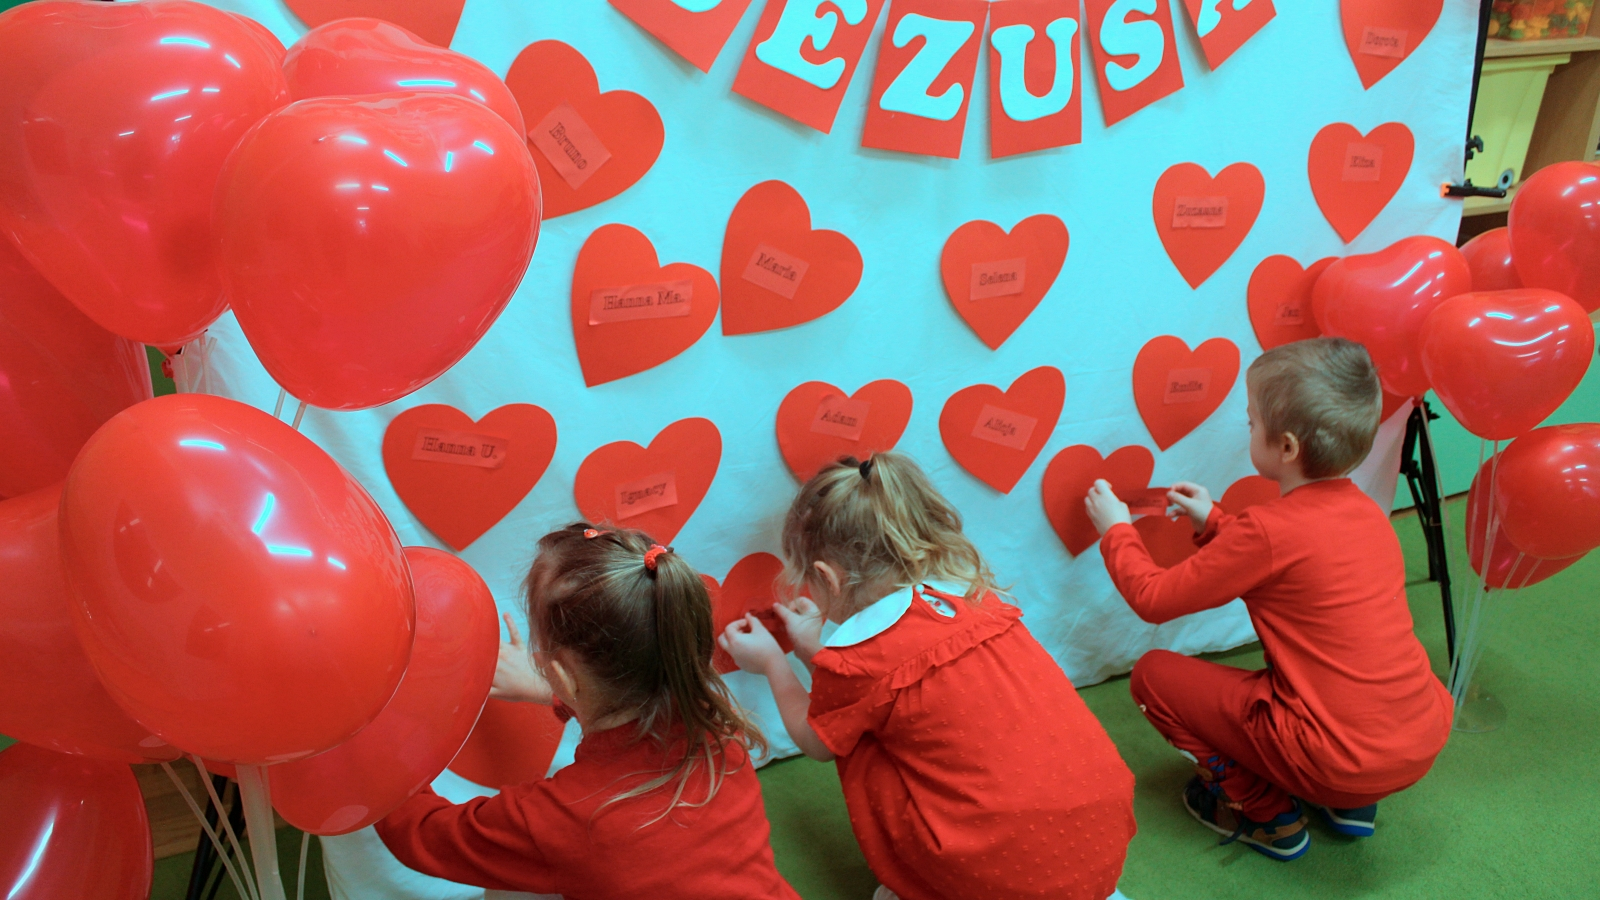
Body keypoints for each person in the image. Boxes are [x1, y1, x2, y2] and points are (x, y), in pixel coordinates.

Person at [1085, 337, 1453, 862]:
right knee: (1350, 675)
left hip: (1334, 757)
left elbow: (1152, 598)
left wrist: (1115, 531)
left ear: (1286, 448)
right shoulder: (1369, 514)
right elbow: (1290, 558)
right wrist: (1215, 522)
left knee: (1152, 677)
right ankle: (1351, 804)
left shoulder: (1265, 531)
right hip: (1417, 737)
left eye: (1251, 423)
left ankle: (1268, 815)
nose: (1248, 430)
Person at [721, 452, 1136, 900]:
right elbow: (881, 684)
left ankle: (932, 885)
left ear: (827, 578)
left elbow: (818, 740)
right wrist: (812, 650)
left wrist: (773, 662)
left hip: (1003, 874)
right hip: (1099, 843)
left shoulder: (860, 658)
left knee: (855, 738)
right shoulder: (977, 600)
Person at [376, 524, 800, 900]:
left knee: (508, 886)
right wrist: (550, 689)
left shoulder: (563, 817)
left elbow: (424, 833)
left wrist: (380, 733)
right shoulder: (718, 727)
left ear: (563, 674)